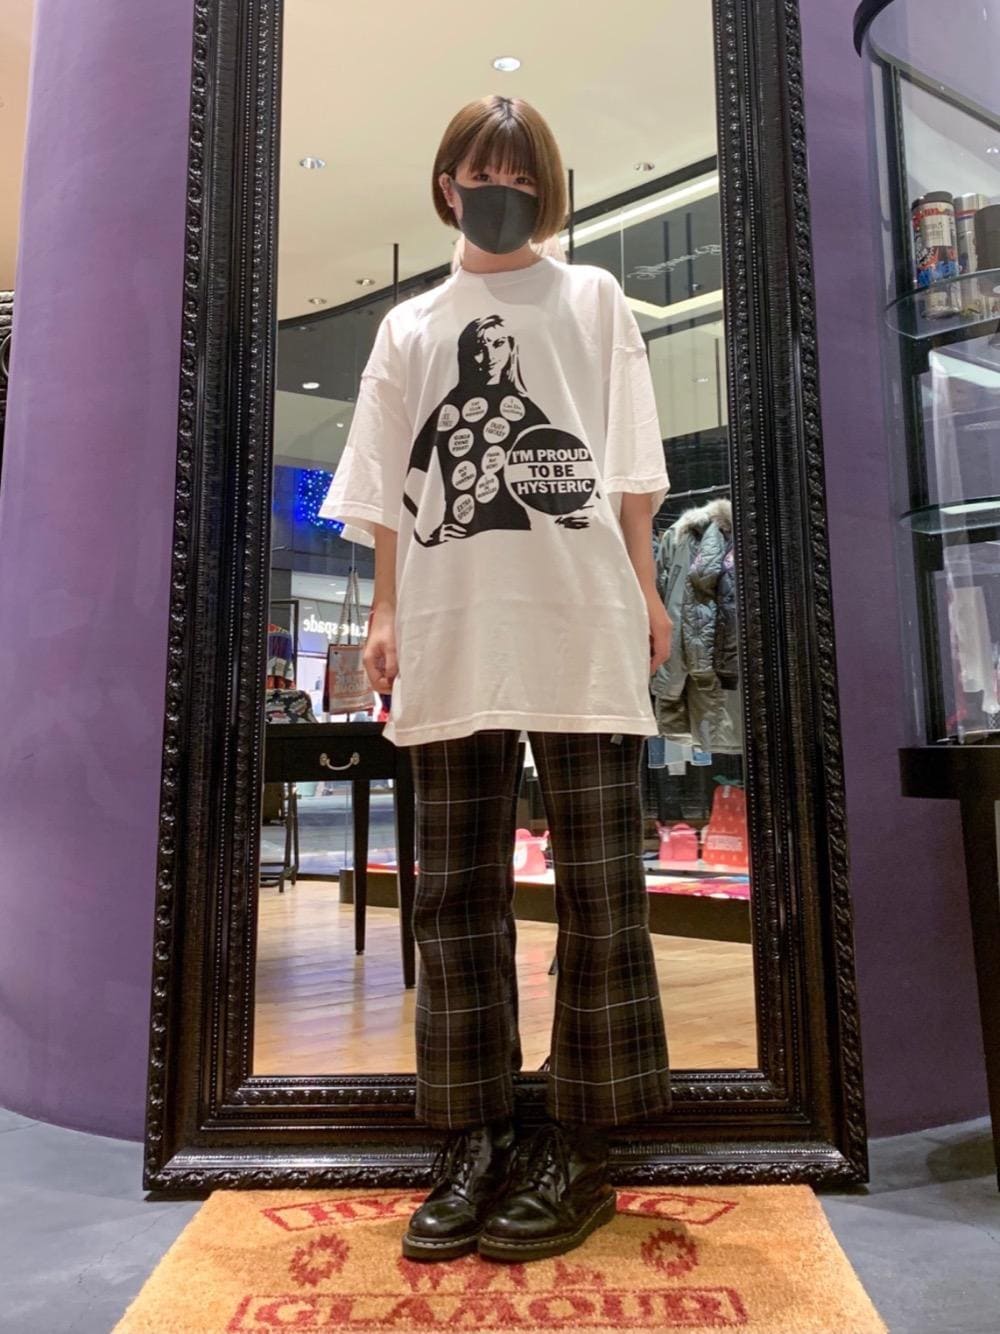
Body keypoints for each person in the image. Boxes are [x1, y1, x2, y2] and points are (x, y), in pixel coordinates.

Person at [319, 94, 674, 1265]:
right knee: (453, 897)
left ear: (547, 188)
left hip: (581, 613)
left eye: (519, 176)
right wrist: (383, 612)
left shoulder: (593, 298)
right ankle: (472, 1133)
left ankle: (578, 1142)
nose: (499, 191)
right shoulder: (410, 326)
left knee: (602, 891)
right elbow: (387, 484)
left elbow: (629, 464)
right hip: (451, 622)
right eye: (481, 173)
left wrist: (649, 592)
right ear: (446, 185)